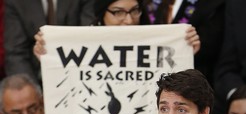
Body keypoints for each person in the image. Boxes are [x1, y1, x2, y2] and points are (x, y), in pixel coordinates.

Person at [33, 0, 201, 59]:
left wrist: (184, 51)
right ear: (101, 15)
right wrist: (48, 55)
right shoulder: (81, 43)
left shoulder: (155, 41)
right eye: (118, 12)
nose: (128, 20)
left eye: (134, 10)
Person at [4, 0, 96, 83]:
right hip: (36, 75)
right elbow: (16, 54)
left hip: (78, 71)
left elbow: (90, 39)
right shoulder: (16, 2)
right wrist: (34, 93)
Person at [144, 0, 226, 88]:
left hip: (192, 85)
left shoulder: (213, 4)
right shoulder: (143, 4)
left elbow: (215, 49)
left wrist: (190, 48)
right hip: (145, 82)